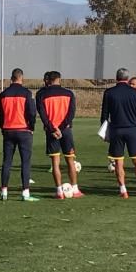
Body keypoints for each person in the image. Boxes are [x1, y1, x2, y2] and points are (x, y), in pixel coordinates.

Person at [101, 67, 136, 198]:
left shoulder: (109, 92)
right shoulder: (135, 92)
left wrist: (104, 131)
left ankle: (123, 190)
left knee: (118, 161)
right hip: (133, 130)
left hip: (116, 130)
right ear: (127, 79)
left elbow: (104, 115)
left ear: (116, 78)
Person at [37, 70, 83, 199]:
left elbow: (43, 114)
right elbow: (71, 114)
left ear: (48, 80)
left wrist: (53, 129)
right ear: (59, 79)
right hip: (66, 131)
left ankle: (59, 191)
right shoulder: (68, 94)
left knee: (55, 163)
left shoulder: (41, 95)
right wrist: (61, 128)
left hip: (51, 132)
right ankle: (75, 189)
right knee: (70, 160)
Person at [0, 68, 38, 201]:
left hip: (8, 130)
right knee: (25, 162)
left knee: (7, 161)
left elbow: (2, 115)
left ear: (11, 78)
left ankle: (4, 191)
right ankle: (25, 192)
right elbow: (32, 113)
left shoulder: (3, 94)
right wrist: (31, 127)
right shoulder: (26, 93)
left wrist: (2, 128)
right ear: (21, 78)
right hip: (23, 130)